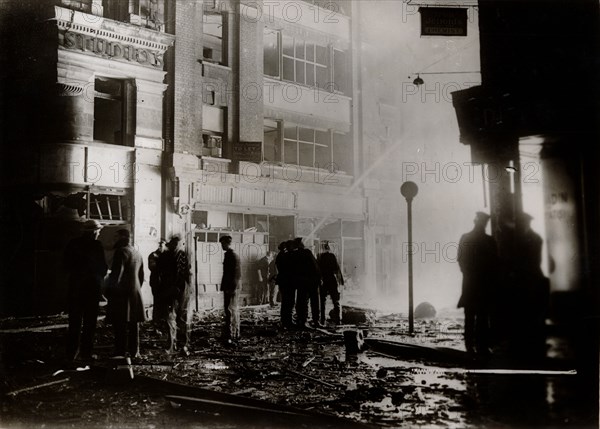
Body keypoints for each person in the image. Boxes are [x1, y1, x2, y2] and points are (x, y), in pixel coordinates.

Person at [63, 219, 107, 361]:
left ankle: (71, 354)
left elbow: (66, 265)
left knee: (74, 322)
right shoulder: (96, 246)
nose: (99, 233)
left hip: (75, 288)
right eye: (98, 231)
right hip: (92, 290)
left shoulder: (73, 243)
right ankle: (86, 354)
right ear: (94, 232)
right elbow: (103, 268)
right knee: (90, 323)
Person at [457, 211, 498, 355]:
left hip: (471, 283)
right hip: (482, 284)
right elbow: (495, 263)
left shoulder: (466, 238)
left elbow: (461, 260)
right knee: (481, 316)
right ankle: (481, 346)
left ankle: (471, 346)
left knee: (471, 316)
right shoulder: (489, 241)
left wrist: (468, 274)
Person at [512, 212, 549, 361]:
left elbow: (531, 261)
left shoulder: (530, 239)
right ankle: (532, 343)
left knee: (530, 310)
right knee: (531, 311)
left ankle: (531, 343)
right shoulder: (533, 238)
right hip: (531, 277)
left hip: (529, 278)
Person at [105, 229, 145, 359]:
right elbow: (141, 275)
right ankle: (135, 351)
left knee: (120, 324)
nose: (113, 239)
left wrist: (109, 290)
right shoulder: (137, 252)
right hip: (135, 293)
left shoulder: (121, 252)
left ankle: (120, 352)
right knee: (134, 324)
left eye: (115, 236)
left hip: (121, 294)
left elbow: (117, 275)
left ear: (122, 237)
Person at [162, 235, 193, 354]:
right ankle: (171, 344)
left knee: (182, 318)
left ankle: (183, 345)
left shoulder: (184, 256)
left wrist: (186, 290)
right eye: (174, 243)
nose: (175, 246)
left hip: (182, 291)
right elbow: (161, 273)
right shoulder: (165, 256)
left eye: (177, 244)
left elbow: (187, 274)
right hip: (169, 290)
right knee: (169, 317)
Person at [293, 237, 321, 329]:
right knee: (314, 301)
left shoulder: (294, 254)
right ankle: (316, 320)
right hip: (312, 281)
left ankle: (302, 320)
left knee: (301, 301)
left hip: (301, 282)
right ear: (301, 244)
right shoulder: (307, 252)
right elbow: (315, 266)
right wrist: (318, 278)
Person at [220, 235, 241, 345]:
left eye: (223, 244)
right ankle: (232, 333)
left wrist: (231, 288)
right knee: (230, 311)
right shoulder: (229, 255)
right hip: (230, 287)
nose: (222, 246)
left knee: (231, 310)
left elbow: (236, 274)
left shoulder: (232, 256)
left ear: (228, 244)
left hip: (231, 288)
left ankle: (232, 335)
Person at [317, 241, 344, 325]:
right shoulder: (332, 256)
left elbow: (318, 270)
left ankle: (322, 320)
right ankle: (338, 320)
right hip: (331, 279)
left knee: (322, 301)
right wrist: (340, 280)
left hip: (324, 280)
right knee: (335, 300)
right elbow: (336, 269)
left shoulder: (320, 257)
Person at [276, 241, 295, 329]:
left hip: (283, 281)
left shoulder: (280, 256)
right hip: (287, 281)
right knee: (288, 301)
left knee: (286, 302)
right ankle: (287, 321)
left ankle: (285, 320)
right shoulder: (284, 256)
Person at [148, 238, 167, 321]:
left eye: (162, 244)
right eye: (160, 244)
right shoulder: (153, 255)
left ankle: (164, 319)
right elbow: (152, 267)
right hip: (156, 282)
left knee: (166, 302)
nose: (161, 246)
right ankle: (156, 320)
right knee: (157, 301)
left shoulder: (167, 255)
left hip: (166, 283)